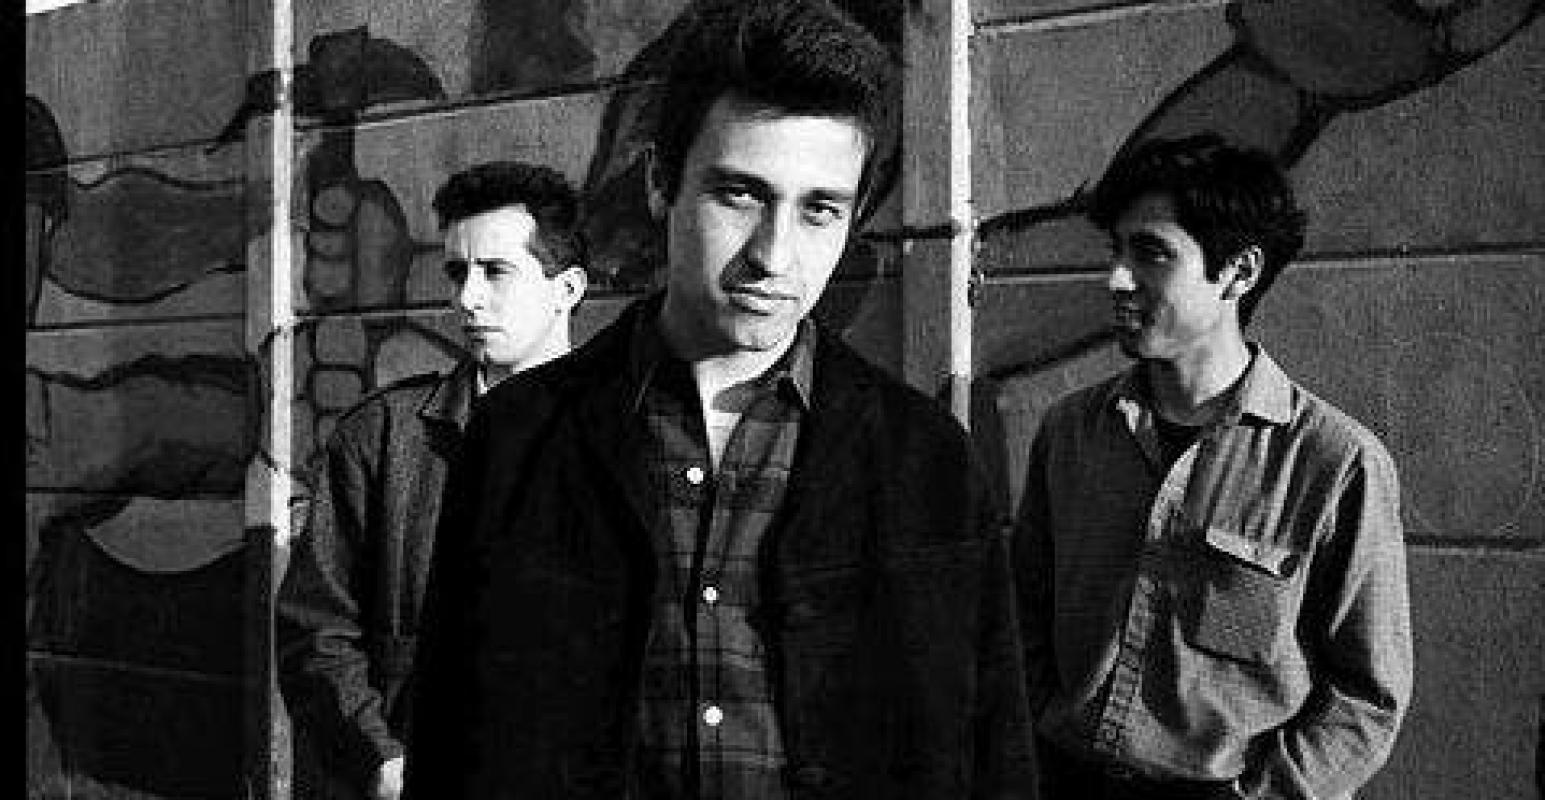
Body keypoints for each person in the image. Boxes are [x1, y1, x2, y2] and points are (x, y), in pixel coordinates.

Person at [405, 1, 1033, 797]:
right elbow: (450, 738)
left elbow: (992, 752)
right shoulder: (518, 434)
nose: (775, 254)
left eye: (819, 209)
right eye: (740, 194)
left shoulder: (925, 458)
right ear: (659, 183)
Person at [1013, 134, 1412, 799]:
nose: (1116, 279)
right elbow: (1020, 621)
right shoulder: (1070, 435)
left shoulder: (1336, 464)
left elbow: (1366, 699)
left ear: (1238, 272)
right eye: (1116, 251)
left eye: (1150, 253)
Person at [276, 161, 588, 800]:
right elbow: (315, 629)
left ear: (568, 289)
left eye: (495, 271)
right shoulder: (384, 435)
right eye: (457, 272)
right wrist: (380, 761)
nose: (467, 298)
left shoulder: (622, 441)